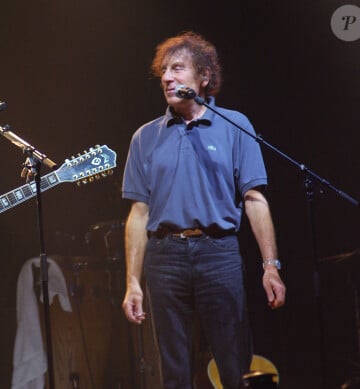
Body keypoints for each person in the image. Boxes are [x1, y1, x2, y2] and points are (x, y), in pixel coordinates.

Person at [121, 32, 286, 389]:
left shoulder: (235, 125)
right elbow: (138, 212)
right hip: (165, 258)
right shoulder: (145, 137)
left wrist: (270, 267)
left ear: (204, 78)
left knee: (233, 365)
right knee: (175, 372)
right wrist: (133, 281)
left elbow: (255, 200)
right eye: (164, 70)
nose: (167, 77)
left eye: (177, 69)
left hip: (219, 253)